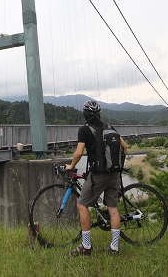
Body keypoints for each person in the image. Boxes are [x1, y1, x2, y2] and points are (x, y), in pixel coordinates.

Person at [65, 100, 128, 256]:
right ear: (99, 113)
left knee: (82, 205)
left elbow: (79, 153)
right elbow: (125, 147)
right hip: (114, 174)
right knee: (113, 209)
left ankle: (86, 246)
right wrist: (118, 166)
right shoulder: (109, 127)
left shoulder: (84, 130)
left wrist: (71, 166)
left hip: (98, 175)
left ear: (85, 114)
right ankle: (114, 247)